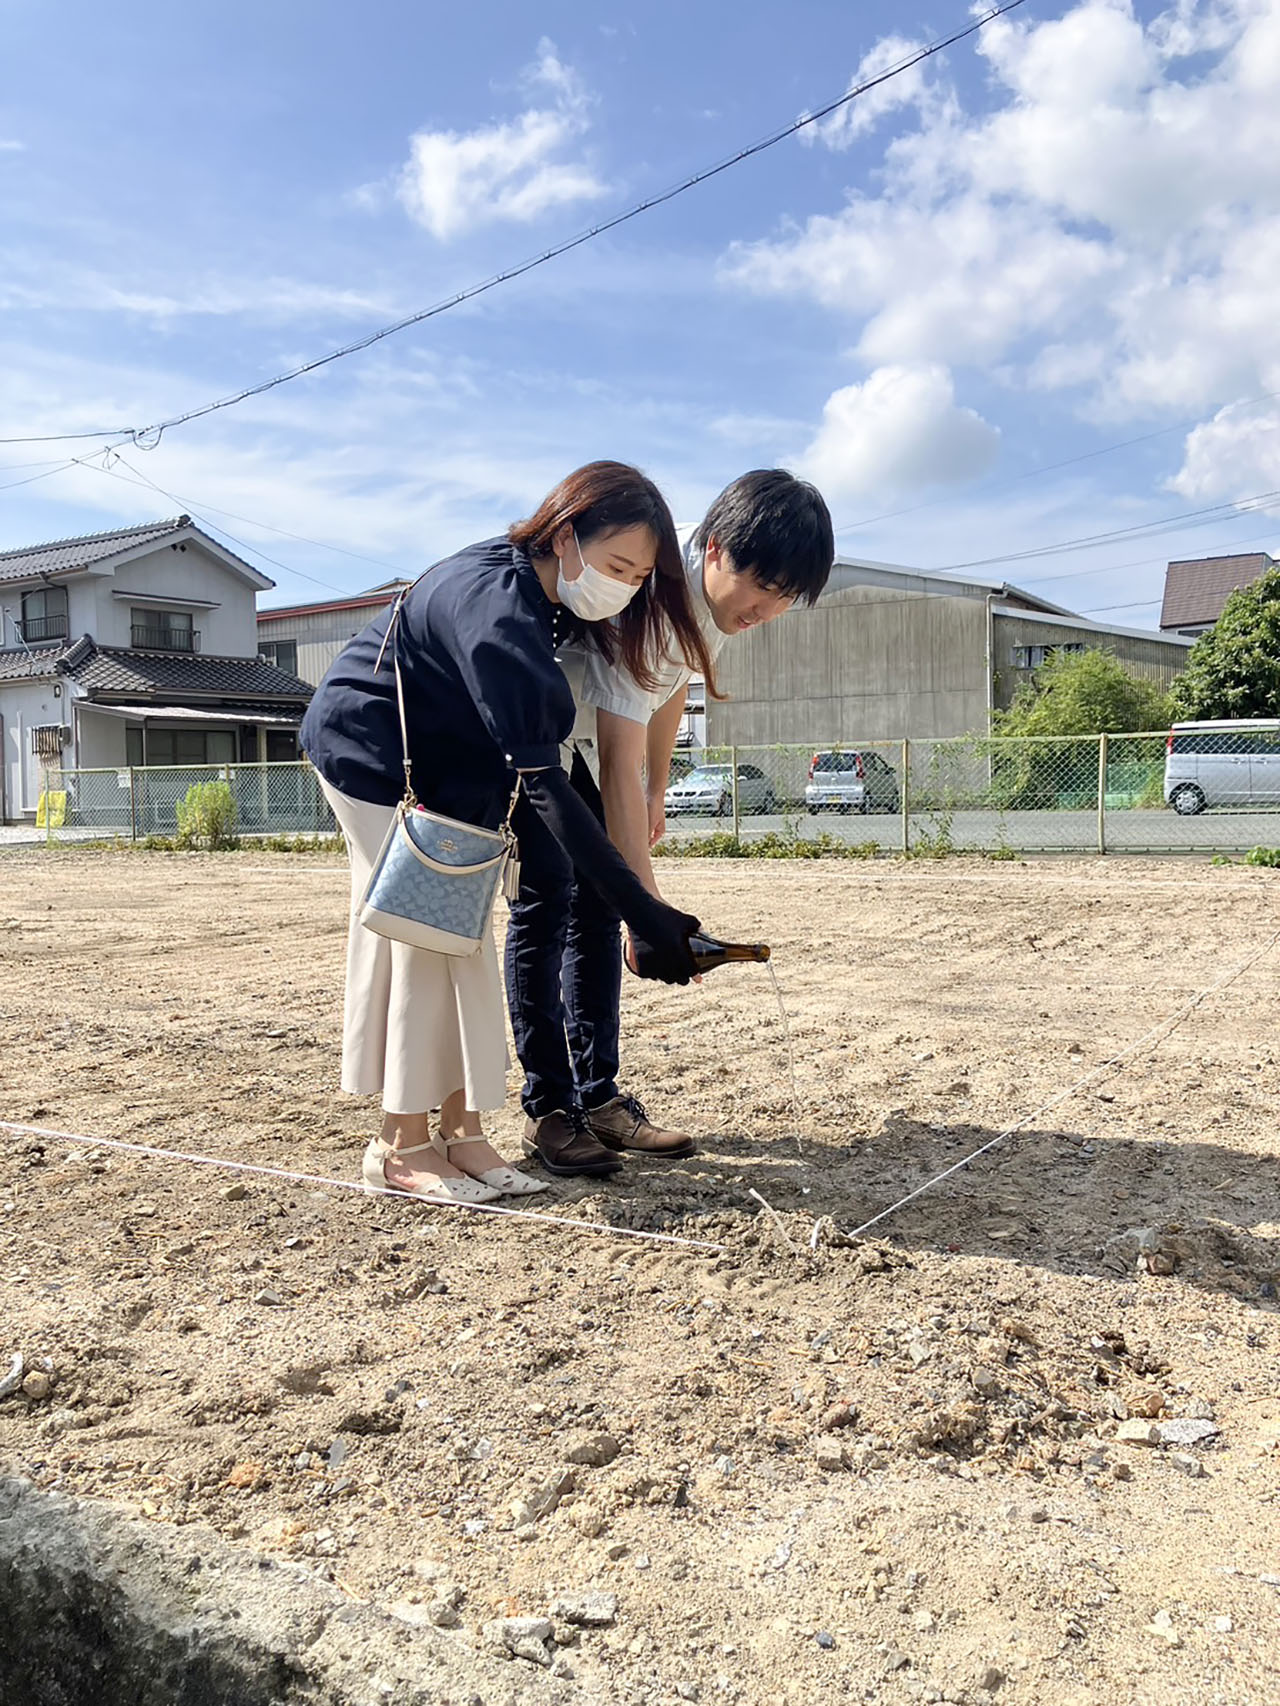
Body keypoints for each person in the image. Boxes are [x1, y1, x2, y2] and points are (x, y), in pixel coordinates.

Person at [300, 461, 721, 1203]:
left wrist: (645, 912)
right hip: (373, 759)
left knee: (461, 942)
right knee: (422, 941)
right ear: (564, 535)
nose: (624, 585)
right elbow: (549, 789)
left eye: (639, 573)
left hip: (447, 772)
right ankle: (399, 1145)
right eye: (617, 565)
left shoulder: (550, 597)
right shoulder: (495, 604)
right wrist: (646, 914)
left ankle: (462, 1132)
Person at [508, 469, 834, 1175]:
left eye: (785, 600)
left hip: (595, 749)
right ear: (714, 549)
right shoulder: (653, 597)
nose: (767, 610)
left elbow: (666, 693)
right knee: (548, 909)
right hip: (541, 747)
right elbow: (618, 752)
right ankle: (549, 1112)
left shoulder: (709, 608)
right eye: (763, 587)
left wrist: (660, 788)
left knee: (593, 919)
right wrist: (650, 914)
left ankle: (598, 1100)